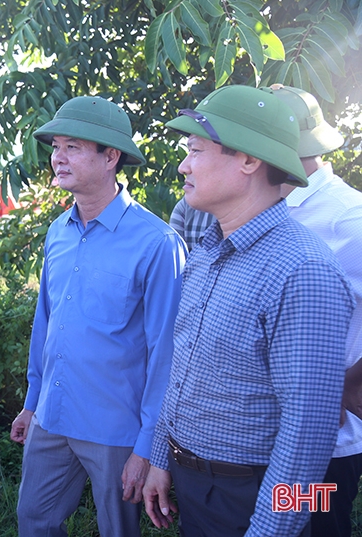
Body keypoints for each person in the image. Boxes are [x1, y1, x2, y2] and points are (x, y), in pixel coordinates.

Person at [143, 85, 354, 537]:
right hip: (198, 485)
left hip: (257, 495)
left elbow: (309, 433)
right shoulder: (208, 249)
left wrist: (270, 530)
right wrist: (162, 457)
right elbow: (183, 368)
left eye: (196, 150)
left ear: (249, 161)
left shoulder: (303, 270)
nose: (183, 165)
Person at [9, 96, 186, 537]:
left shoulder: (156, 244)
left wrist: (148, 446)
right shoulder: (58, 231)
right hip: (53, 414)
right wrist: (33, 402)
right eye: (55, 146)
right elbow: (46, 324)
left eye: (73, 146)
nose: (57, 157)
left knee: (118, 531)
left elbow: (167, 354)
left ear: (111, 157)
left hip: (116, 429)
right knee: (34, 519)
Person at [269, 84, 362, 537]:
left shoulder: (347, 218)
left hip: (324, 448)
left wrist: (346, 386)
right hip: (266, 436)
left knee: (317, 530)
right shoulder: (267, 205)